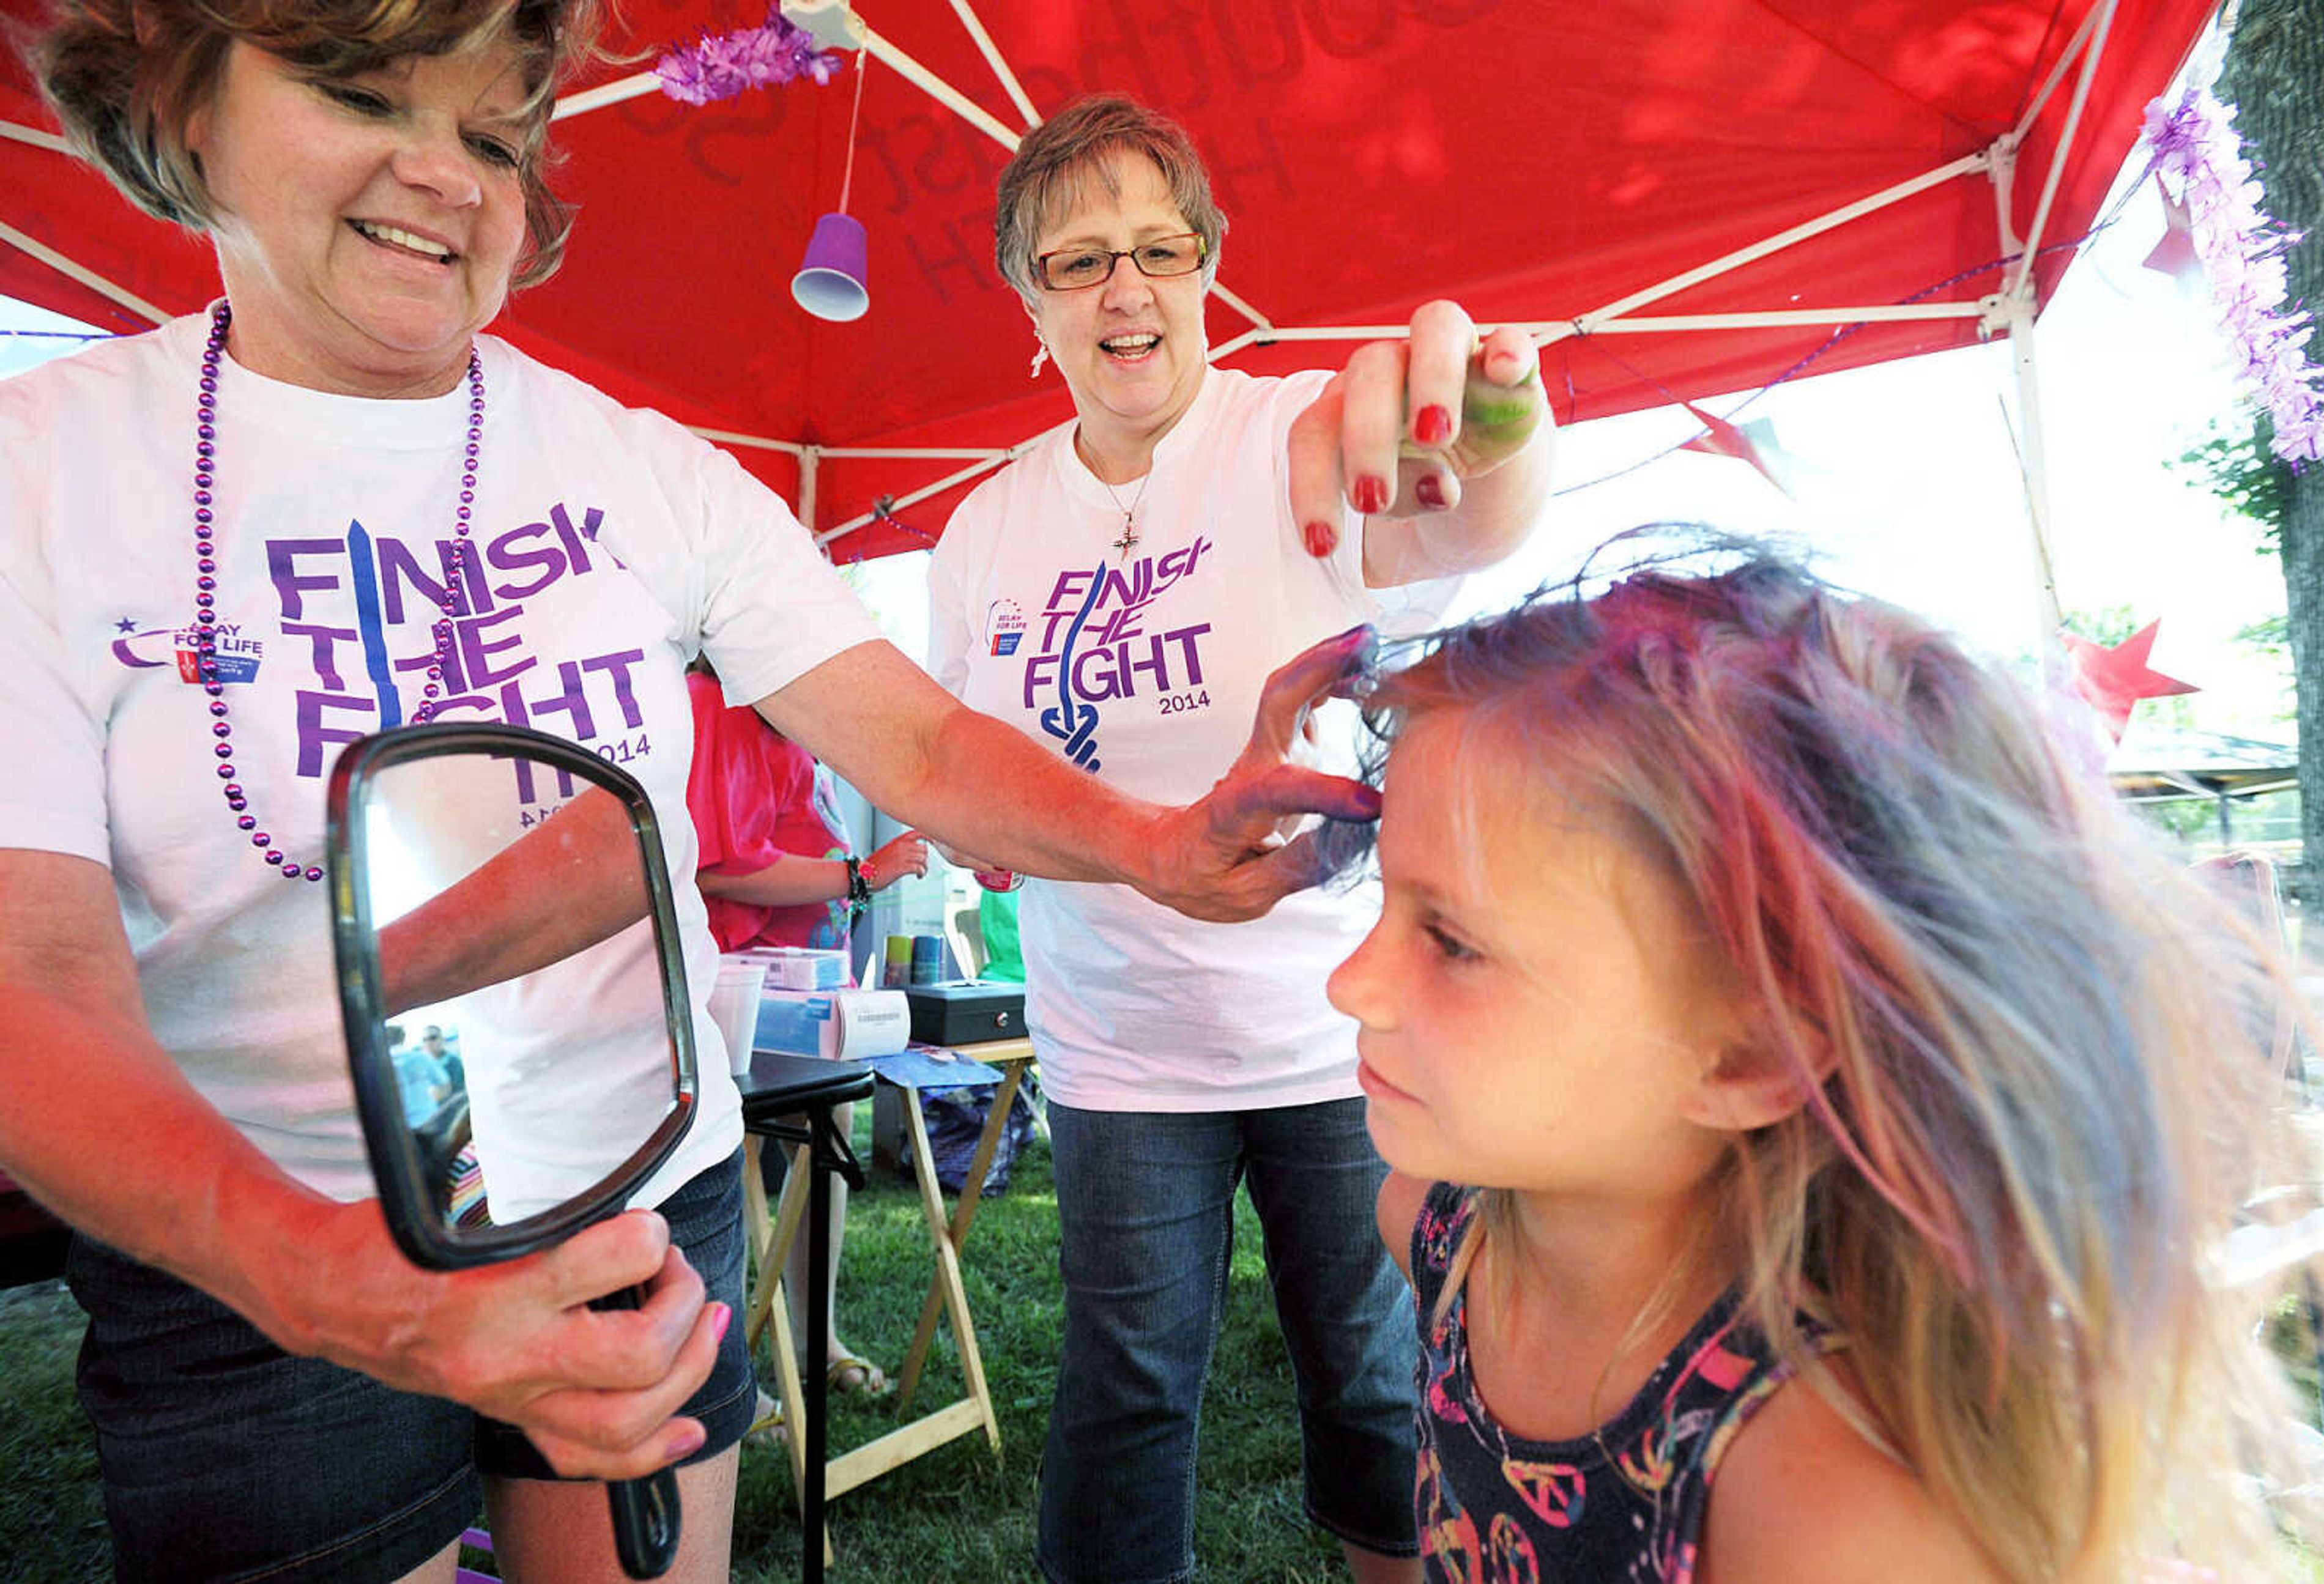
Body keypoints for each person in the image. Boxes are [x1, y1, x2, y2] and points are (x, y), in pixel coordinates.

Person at [0, 10, 1423, 1582]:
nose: (443, 177)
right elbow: (32, 979)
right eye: (357, 94)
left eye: (491, 136)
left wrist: (1153, 846)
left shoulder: (645, 468)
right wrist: (313, 1273)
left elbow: (924, 748)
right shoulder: (45, 473)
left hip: (638, 1200)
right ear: (183, 102)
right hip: (256, 1262)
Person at [1326, 538, 2324, 1583]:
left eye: (1453, 942)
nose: (1351, 984)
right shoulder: (1444, 1234)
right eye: (1386, 905)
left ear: (1751, 1053)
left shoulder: (1828, 1502)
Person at [926, 95, 1555, 1584]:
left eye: (1155, 248)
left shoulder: (1290, 435)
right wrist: (988, 833)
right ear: (1029, 298)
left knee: (1369, 1362)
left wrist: (1496, 450)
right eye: (1078, 262)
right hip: (1116, 1045)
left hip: (1333, 1026)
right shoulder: (981, 531)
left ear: (1206, 263)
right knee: (1129, 1382)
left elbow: (1450, 526)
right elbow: (955, 770)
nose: (1123, 290)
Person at [682, 664, 924, 1399]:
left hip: (802, 1003)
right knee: (729, 1180)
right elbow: (718, 867)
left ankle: (814, 1340)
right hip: (739, 1003)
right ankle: (724, 1377)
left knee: (823, 1149)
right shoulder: (716, 703)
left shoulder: (788, 713)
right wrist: (859, 875)